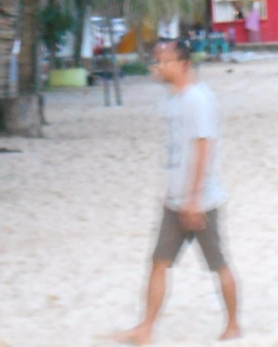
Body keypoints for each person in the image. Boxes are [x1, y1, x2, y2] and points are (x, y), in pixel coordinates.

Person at [115, 41, 239, 345]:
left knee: (218, 264)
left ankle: (233, 324)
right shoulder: (172, 100)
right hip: (174, 201)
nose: (156, 67)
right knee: (159, 263)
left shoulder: (198, 100)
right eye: (155, 61)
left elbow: (203, 148)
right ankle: (145, 327)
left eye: (163, 61)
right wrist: (175, 195)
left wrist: (194, 200)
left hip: (201, 202)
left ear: (183, 64)